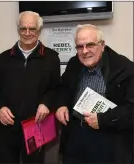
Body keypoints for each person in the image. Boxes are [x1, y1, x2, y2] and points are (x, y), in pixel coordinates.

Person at [0, 11, 61, 164]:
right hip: (5, 129)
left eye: (32, 29)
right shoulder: (3, 59)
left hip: (36, 127)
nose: (27, 33)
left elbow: (56, 88)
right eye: (23, 28)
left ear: (39, 30)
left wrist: (46, 103)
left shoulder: (51, 58)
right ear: (18, 30)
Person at [56, 24, 134, 164]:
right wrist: (61, 104)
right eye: (80, 47)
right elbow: (64, 88)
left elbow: (131, 110)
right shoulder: (74, 63)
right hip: (75, 135)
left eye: (90, 45)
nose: (84, 51)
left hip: (108, 139)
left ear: (102, 45)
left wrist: (103, 120)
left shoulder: (124, 68)